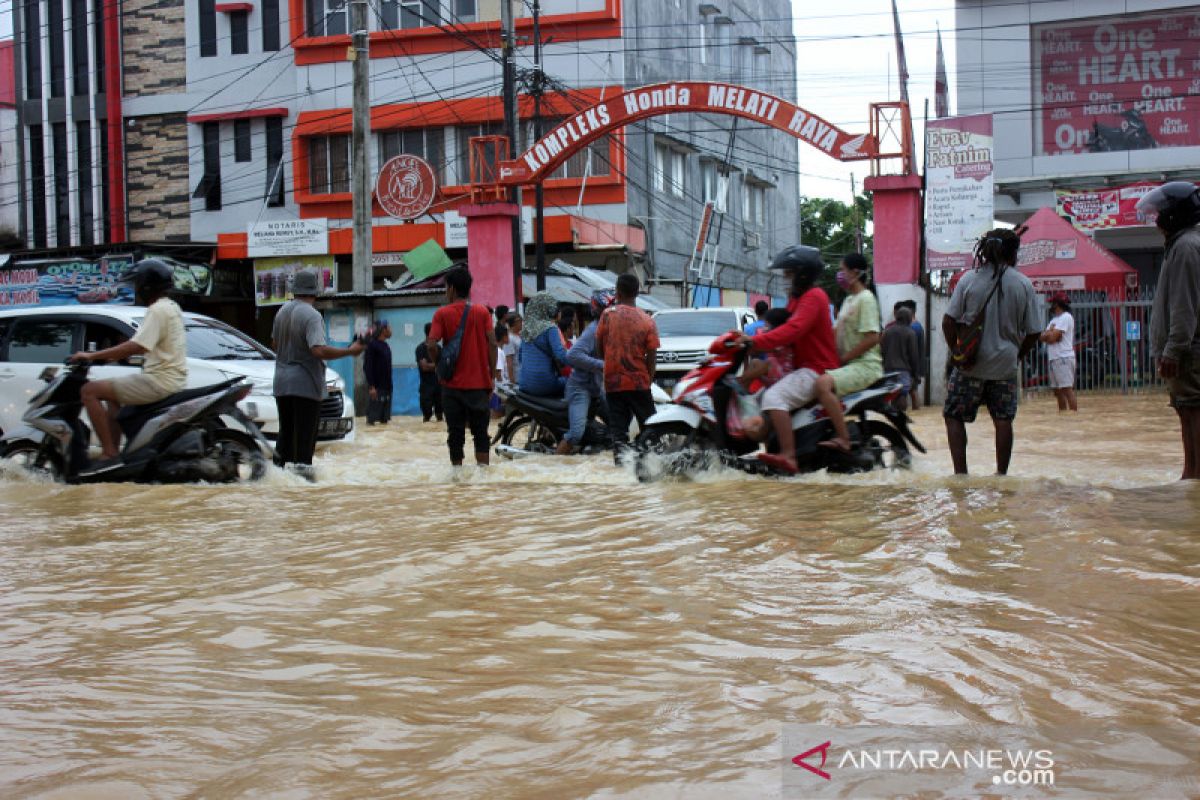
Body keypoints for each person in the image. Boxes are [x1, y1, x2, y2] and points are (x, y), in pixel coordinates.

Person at [942, 228, 1043, 476]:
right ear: (1014, 253)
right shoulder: (1023, 284)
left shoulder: (968, 279)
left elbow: (948, 321)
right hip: (1005, 366)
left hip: (970, 365)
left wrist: (956, 351)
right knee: (1003, 419)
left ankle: (961, 474)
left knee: (953, 415)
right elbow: (1034, 331)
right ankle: (1001, 476)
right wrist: (1017, 355)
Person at [69, 258, 187, 468]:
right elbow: (149, 345)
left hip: (158, 381)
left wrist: (91, 356)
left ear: (146, 286)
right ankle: (115, 455)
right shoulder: (172, 307)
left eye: (137, 285)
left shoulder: (157, 310)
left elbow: (137, 346)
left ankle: (108, 452)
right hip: (170, 378)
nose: (136, 290)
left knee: (89, 391)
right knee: (112, 397)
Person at [735, 245, 840, 474]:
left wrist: (756, 342)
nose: (786, 278)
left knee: (773, 396)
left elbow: (793, 328)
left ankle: (789, 455)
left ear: (802, 273)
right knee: (759, 398)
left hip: (815, 368)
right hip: (798, 367)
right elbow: (781, 324)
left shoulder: (814, 297)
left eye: (789, 273)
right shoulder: (797, 298)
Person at [271, 269, 365, 469]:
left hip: (281, 383)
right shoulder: (312, 315)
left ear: (295, 291)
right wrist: (350, 351)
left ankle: (279, 481)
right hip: (304, 385)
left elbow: (275, 345)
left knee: (285, 436)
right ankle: (303, 487)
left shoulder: (281, 312)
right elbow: (318, 350)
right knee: (304, 443)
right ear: (314, 292)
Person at [1138, 180, 1200, 480]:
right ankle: (1190, 474)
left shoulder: (1187, 247)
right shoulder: (1181, 244)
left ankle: (1194, 473)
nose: (1157, 219)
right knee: (1185, 410)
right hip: (1184, 349)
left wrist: (1173, 349)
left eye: (1161, 213)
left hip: (1189, 350)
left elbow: (1183, 305)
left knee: (1193, 409)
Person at [810, 253, 884, 453]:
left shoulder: (866, 299)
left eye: (842, 270)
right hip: (848, 364)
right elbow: (835, 333)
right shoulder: (849, 300)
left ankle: (843, 438)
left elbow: (872, 338)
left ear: (855, 272)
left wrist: (844, 358)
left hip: (865, 365)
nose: (839, 274)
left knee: (822, 384)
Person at [427, 266, 498, 467]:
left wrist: (440, 364)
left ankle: (458, 481)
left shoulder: (442, 313)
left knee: (455, 435)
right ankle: (483, 476)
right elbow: (492, 343)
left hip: (452, 387)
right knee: (481, 434)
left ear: (451, 289)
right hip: (479, 386)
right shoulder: (482, 312)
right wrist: (491, 375)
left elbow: (432, 344)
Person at [595, 273, 660, 461]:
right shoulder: (647, 320)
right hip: (639, 382)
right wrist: (648, 379)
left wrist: (610, 361)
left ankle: (622, 470)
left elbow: (599, 348)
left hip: (613, 383)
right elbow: (652, 356)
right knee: (651, 426)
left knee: (619, 431)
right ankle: (651, 465)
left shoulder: (608, 315)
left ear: (617, 291)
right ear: (637, 292)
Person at [556, 291, 612, 455]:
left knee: (618, 425)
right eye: (606, 309)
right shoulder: (593, 331)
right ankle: (552, 465)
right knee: (576, 434)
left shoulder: (610, 329)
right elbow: (572, 355)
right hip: (580, 388)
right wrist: (602, 365)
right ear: (597, 310)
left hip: (597, 387)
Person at [518, 291, 569, 398]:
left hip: (523, 383)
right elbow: (561, 356)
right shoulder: (550, 328)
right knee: (571, 381)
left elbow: (520, 357)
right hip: (543, 386)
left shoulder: (526, 328)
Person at [1041, 292, 1078, 412]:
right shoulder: (1054, 320)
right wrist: (1049, 334)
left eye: (1052, 303)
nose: (1051, 305)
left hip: (1063, 358)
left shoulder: (1066, 317)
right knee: (1057, 391)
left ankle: (1073, 416)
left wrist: (1050, 334)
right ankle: (1063, 415)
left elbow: (1051, 338)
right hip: (1054, 358)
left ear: (1057, 304)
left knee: (1066, 389)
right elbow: (1042, 337)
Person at [881, 306, 922, 412]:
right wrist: (916, 375)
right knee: (902, 395)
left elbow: (882, 351)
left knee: (892, 397)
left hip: (888, 370)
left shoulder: (887, 332)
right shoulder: (910, 333)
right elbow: (914, 356)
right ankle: (903, 419)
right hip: (903, 371)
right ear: (908, 318)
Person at [894, 299, 924, 409]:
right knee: (912, 391)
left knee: (911, 391)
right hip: (913, 365)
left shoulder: (912, 328)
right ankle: (918, 415)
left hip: (910, 366)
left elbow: (911, 351)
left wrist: (914, 372)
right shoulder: (917, 326)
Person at [364, 320, 393, 425]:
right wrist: (371, 387)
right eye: (389, 328)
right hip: (377, 389)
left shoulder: (386, 346)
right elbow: (367, 366)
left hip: (387, 388)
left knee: (384, 421)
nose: (391, 330)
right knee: (372, 420)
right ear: (383, 330)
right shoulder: (372, 346)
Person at [415, 323, 443, 423]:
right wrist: (435, 365)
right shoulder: (420, 349)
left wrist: (430, 365)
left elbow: (441, 366)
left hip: (439, 385)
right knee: (426, 416)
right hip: (426, 386)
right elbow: (424, 367)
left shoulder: (439, 349)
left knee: (440, 415)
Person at [491, 322, 510, 419]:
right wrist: (503, 392)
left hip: (497, 389)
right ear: (504, 337)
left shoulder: (497, 350)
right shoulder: (499, 352)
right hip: (497, 390)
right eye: (508, 335)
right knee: (496, 415)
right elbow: (498, 373)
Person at [503, 312, 523, 384]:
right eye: (520, 321)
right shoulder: (510, 339)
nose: (522, 323)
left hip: (521, 376)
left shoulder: (519, 335)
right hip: (516, 378)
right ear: (514, 323)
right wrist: (512, 381)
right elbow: (509, 361)